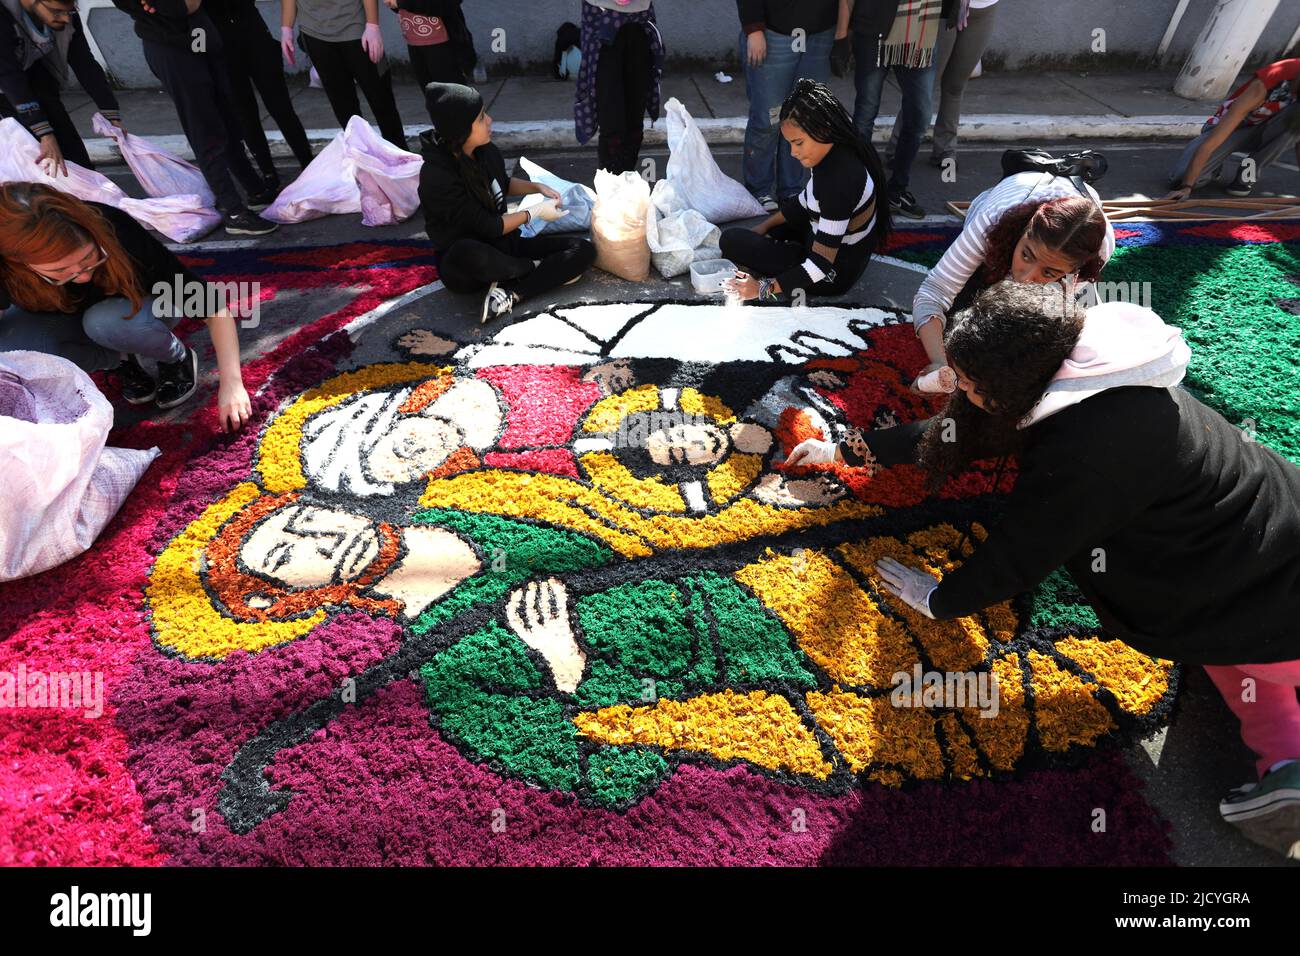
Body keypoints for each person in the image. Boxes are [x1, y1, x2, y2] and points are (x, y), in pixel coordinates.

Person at [786, 282, 1300, 859]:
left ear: (1011, 388)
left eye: (969, 383)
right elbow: (962, 430)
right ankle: (1287, 764)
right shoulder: (1076, 363)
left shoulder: (1088, 447)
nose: (958, 391)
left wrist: (938, 599)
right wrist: (848, 449)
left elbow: (1022, 553)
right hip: (1273, 528)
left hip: (1255, 577)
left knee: (1244, 651)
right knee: (1247, 656)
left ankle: (1288, 769)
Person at [0, 183, 252, 431]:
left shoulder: (115, 228)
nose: (83, 276)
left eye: (89, 259)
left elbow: (212, 307)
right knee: (14, 349)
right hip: (67, 317)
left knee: (104, 322)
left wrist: (232, 384)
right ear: (17, 264)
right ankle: (119, 360)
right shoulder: (5, 265)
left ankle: (176, 357)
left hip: (142, 308)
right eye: (60, 272)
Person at [909, 169, 1114, 389]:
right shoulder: (992, 220)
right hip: (999, 208)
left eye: (1049, 272)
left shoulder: (1098, 252)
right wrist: (940, 362)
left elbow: (1066, 326)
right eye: (1026, 255)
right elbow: (933, 292)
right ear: (1023, 230)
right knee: (960, 325)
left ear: (1075, 270)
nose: (1025, 279)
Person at [417, 82, 595, 324]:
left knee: (583, 249)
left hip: (505, 245)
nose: (489, 120)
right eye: (481, 118)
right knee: (467, 251)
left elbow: (501, 183)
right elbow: (490, 227)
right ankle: (533, 269)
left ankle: (512, 294)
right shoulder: (437, 176)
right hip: (466, 265)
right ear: (461, 130)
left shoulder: (485, 150)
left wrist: (537, 187)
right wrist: (534, 212)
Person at [110, 0, 278, 237]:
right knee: (204, 127)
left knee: (226, 119)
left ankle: (255, 190)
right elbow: (178, 8)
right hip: (171, 48)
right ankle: (234, 210)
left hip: (198, 36)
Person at [719, 79, 891, 305]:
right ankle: (787, 249)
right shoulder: (837, 145)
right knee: (765, 229)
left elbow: (820, 265)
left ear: (822, 129)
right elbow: (804, 202)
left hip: (834, 272)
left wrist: (761, 289)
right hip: (835, 244)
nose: (793, 153)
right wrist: (764, 227)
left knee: (731, 241)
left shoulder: (839, 181)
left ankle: (789, 255)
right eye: (790, 143)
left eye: (798, 143)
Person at [832, 0, 954, 220]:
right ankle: (857, 191)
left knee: (919, 116)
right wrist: (841, 37)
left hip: (921, 38)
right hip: (873, 34)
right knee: (866, 113)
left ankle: (896, 190)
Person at [736, 0, 837, 211]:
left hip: (820, 33)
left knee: (803, 119)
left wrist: (844, 30)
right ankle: (759, 190)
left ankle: (792, 189)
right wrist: (754, 29)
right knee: (768, 120)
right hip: (774, 33)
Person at [0, 0, 123, 172]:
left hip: (35, 73)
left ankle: (89, 193)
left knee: (73, 155)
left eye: (70, 11)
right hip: (6, 86)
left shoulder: (65, 11)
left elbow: (84, 62)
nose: (65, 18)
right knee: (35, 160)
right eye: (57, 12)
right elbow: (9, 75)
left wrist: (111, 112)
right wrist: (45, 134)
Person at [206, 0, 315, 184]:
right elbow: (192, 14)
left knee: (280, 107)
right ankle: (268, 174)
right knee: (244, 114)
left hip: (254, 35)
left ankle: (308, 164)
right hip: (221, 46)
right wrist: (198, 51)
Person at [1165, 56, 1300, 200]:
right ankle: (1214, 167)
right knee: (1180, 179)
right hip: (1232, 129)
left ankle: (1247, 174)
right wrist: (1187, 187)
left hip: (1267, 130)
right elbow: (1212, 143)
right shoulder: (1267, 82)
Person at [281, 0, 407, 150]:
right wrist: (286, 28)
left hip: (356, 27)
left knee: (380, 98)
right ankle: (361, 157)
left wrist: (372, 25)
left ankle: (401, 154)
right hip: (314, 32)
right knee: (343, 105)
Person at [574, 0, 664, 174]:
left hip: (640, 23)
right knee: (611, 120)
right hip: (601, 23)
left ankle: (626, 182)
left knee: (634, 119)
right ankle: (611, 188)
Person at [381, 0, 473, 89]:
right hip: (414, 40)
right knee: (432, 97)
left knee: (453, 98)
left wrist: (402, 2)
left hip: (442, 43)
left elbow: (446, 4)